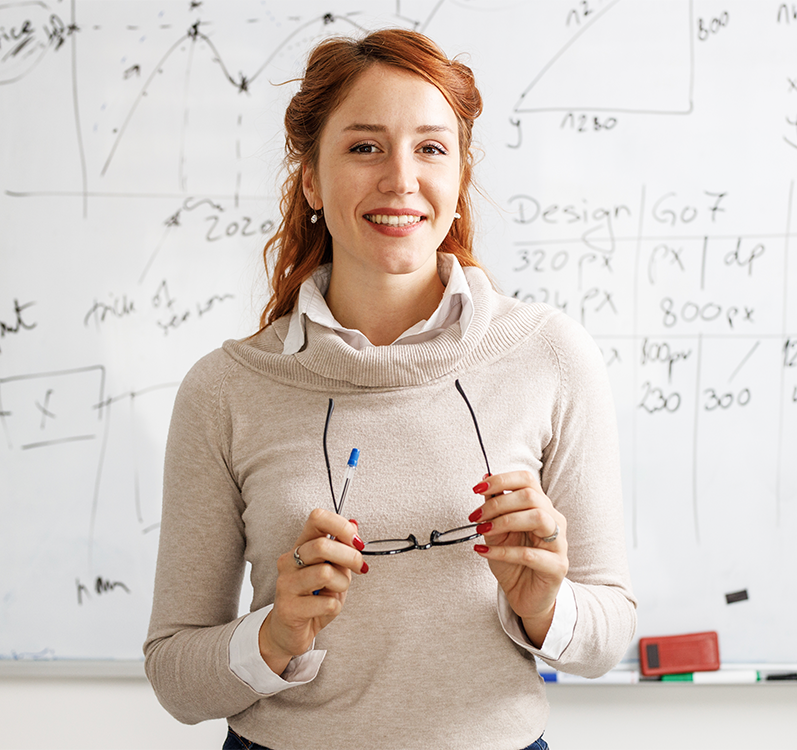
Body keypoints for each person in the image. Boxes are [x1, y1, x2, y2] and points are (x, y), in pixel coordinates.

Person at [144, 28, 635, 750]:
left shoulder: (549, 356)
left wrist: (546, 606)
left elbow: (609, 634)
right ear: (310, 177)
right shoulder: (226, 389)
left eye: (431, 148)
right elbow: (175, 675)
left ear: (461, 173)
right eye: (365, 146)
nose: (401, 178)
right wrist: (275, 636)